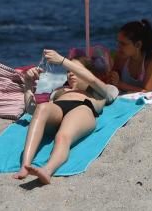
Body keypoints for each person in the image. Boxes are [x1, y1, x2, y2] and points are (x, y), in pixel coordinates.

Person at [13, 49, 118, 185]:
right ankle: (25, 166)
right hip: (59, 108)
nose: (71, 73)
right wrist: (28, 84)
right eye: (68, 71)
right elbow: (32, 110)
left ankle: (47, 170)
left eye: (75, 70)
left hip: (83, 108)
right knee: (42, 107)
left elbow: (92, 79)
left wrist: (62, 61)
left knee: (62, 136)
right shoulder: (60, 91)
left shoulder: (102, 90)